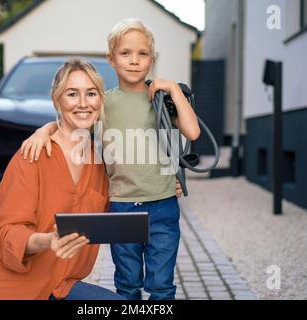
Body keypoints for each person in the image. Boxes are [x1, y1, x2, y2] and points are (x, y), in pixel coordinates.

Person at [20, 18, 201, 300]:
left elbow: (192, 130)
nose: (134, 61)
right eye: (125, 53)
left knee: (162, 285)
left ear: (151, 59)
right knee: (128, 284)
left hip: (163, 205)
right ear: (111, 59)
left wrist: (176, 90)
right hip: (123, 206)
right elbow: (73, 122)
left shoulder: (162, 100)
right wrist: (44, 130)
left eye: (142, 54)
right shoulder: (104, 103)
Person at [0, 59, 124, 300]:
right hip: (5, 289)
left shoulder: (100, 162)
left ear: (100, 101)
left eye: (91, 93)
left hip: (57, 286)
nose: (82, 103)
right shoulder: (32, 156)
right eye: (72, 94)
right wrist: (47, 241)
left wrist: (163, 186)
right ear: (57, 100)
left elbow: (121, 208)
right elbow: (6, 231)